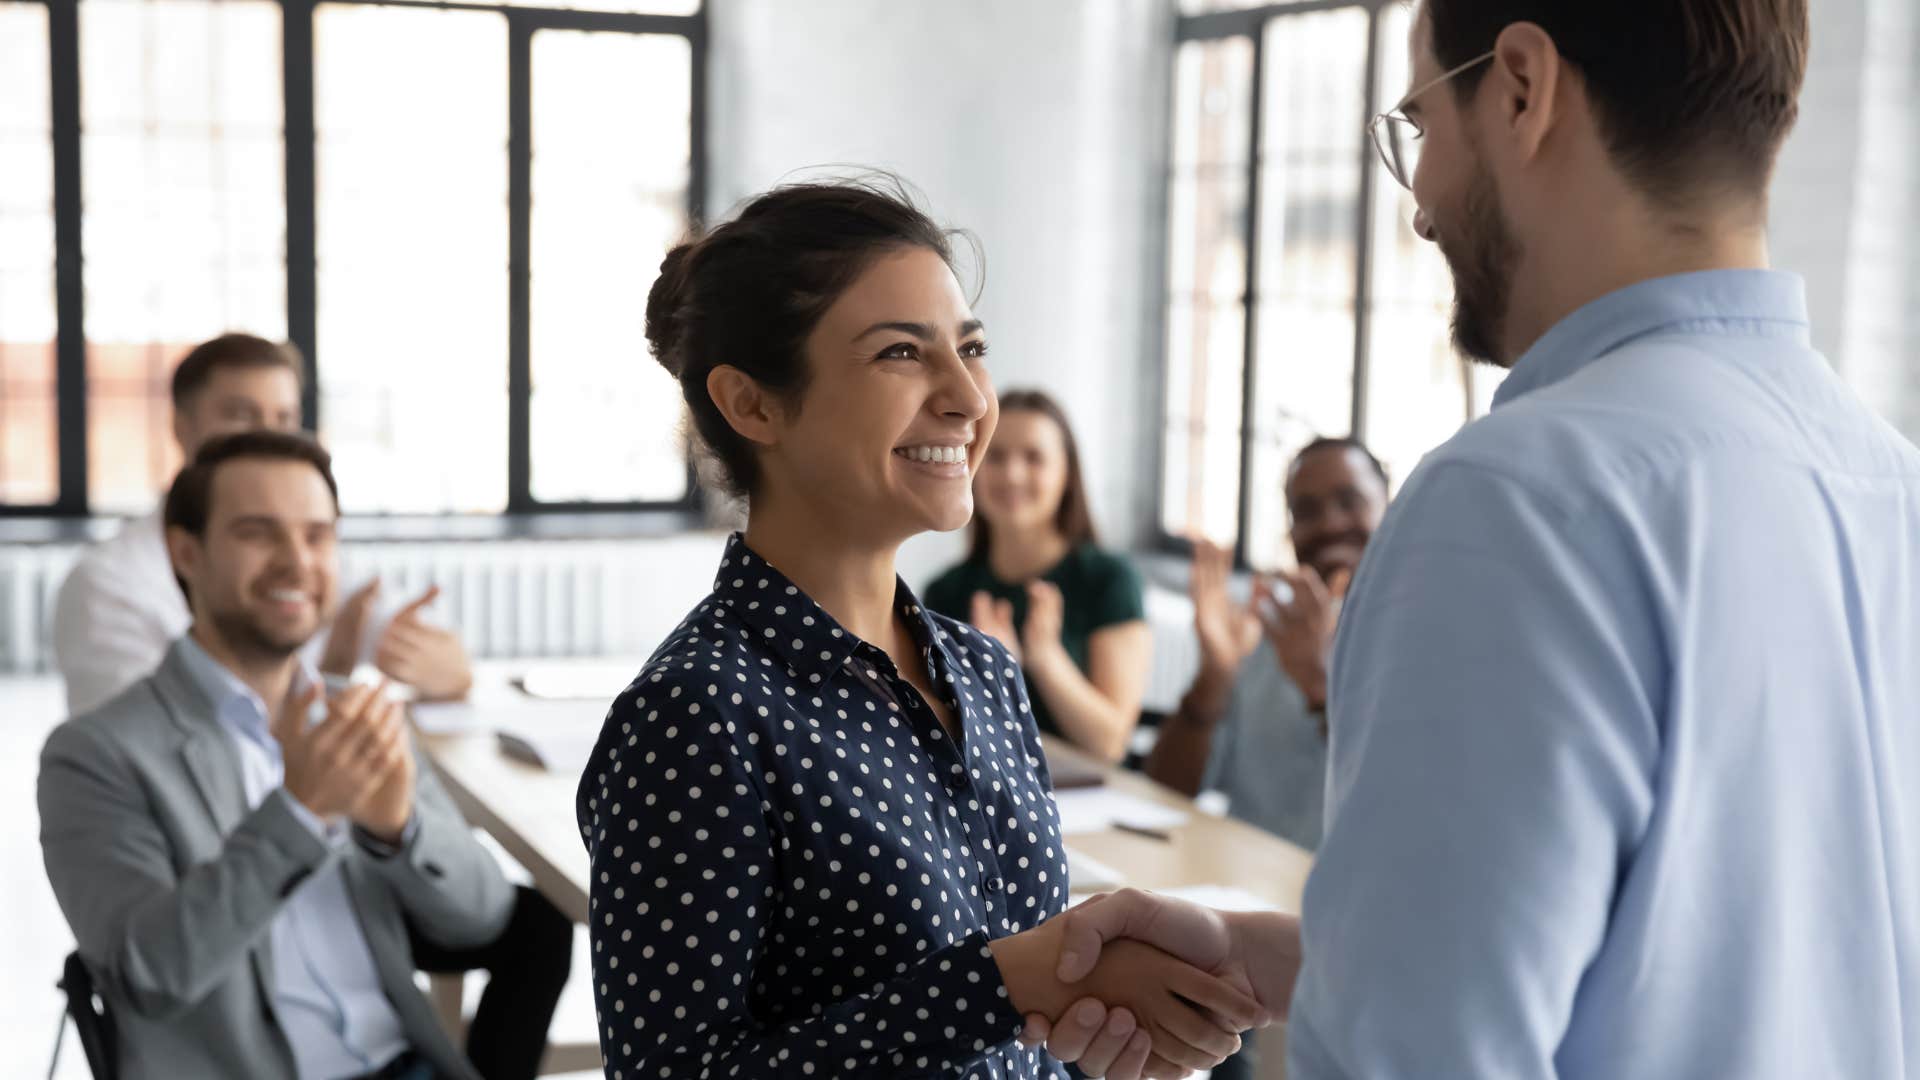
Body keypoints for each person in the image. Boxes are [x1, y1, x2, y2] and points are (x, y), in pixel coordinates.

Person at [1028, 1, 1920, 1078]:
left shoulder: (1516, 499)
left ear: (1521, 87)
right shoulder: (1890, 481)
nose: (1423, 212)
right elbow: (1745, 973)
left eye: (1420, 123)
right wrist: (1310, 964)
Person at [576, 178, 1261, 1079]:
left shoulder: (982, 669)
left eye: (970, 348)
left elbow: (1024, 1030)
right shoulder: (698, 715)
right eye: (902, 352)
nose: (971, 400)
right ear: (753, 406)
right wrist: (1000, 987)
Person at [44, 333, 566, 1080]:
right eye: (258, 534)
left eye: (318, 536)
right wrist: (298, 812)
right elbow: (146, 978)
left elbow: (484, 920)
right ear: (184, 554)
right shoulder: (93, 755)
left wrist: (397, 829)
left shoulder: (348, 714)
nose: (298, 562)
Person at [50, 332, 474, 718]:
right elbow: (146, 764)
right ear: (187, 556)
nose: (267, 439)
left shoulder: (309, 559)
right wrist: (328, 684)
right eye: (241, 416)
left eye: (284, 419)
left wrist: (446, 666)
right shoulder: (108, 584)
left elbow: (425, 645)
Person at [1145, 436, 1389, 852]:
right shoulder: (1264, 630)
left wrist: (1319, 685)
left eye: (1349, 501)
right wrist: (1214, 678)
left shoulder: (1423, 637)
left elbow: (1402, 805)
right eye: (1306, 511)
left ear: (1390, 507)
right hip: (1248, 889)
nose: (1330, 524)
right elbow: (1165, 788)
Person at [924, 390, 1150, 763]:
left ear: (1067, 474)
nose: (1012, 475)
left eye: (1034, 458)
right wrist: (997, 675)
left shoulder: (1109, 579)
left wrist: (1044, 658)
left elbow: (1110, 744)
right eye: (996, 457)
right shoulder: (944, 593)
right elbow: (943, 737)